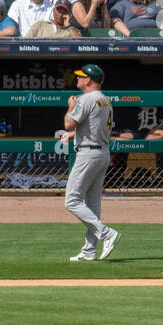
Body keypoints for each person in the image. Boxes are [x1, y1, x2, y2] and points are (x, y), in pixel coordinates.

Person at [61, 64, 121, 262]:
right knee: (92, 204)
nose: (77, 79)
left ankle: (107, 233)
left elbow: (68, 123)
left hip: (88, 153)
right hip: (101, 151)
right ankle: (89, 250)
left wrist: (70, 107)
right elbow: (91, 125)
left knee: (72, 200)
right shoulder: (104, 99)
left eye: (80, 77)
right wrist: (74, 134)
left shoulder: (85, 99)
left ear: (88, 80)